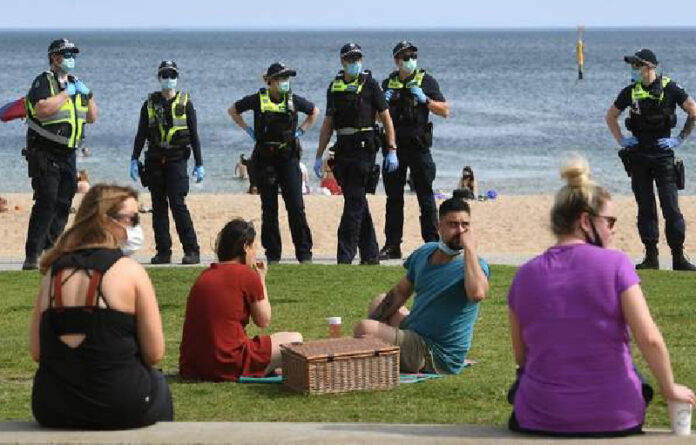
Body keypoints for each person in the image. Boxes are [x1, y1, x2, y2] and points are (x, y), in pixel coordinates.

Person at [507, 156, 696, 436]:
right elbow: (650, 339)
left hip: (540, 416)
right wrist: (670, 388)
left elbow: (522, 357)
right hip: (615, 415)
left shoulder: (524, 276)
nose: (614, 229)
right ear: (585, 221)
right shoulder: (617, 265)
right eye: (610, 221)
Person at [30, 184, 173, 429]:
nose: (136, 227)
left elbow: (37, 351)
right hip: (119, 402)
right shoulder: (130, 272)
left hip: (54, 404)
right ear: (106, 221)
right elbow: (155, 353)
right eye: (133, 219)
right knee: (159, 383)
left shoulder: (53, 273)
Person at [353, 197, 490, 374]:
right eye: (453, 224)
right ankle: (376, 350)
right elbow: (400, 292)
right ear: (438, 227)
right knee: (380, 302)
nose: (460, 231)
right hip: (415, 332)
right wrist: (376, 322)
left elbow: (477, 294)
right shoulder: (425, 253)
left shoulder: (475, 265)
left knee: (364, 328)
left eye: (465, 225)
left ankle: (376, 352)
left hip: (435, 353)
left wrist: (470, 250)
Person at [606, 48, 696, 271]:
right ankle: (651, 258)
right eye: (632, 66)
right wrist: (622, 140)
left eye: (637, 65)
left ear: (649, 67)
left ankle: (678, 258)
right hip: (638, 157)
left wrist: (679, 139)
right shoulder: (630, 92)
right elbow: (611, 116)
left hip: (664, 156)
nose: (633, 70)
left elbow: (693, 110)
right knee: (645, 208)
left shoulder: (670, 88)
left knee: (671, 207)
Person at [179, 219, 303, 381]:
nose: (254, 253)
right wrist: (261, 280)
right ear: (245, 247)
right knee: (295, 339)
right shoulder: (245, 274)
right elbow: (263, 320)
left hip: (194, 365)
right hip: (229, 362)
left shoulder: (205, 275)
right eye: (253, 247)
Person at [313, 42, 398, 264]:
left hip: (364, 149)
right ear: (342, 61)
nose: (355, 63)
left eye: (358, 59)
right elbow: (328, 123)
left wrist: (391, 150)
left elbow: (386, 118)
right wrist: (318, 154)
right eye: (351, 59)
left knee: (353, 204)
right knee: (357, 200)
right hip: (343, 150)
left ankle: (345, 255)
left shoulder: (371, 85)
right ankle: (370, 256)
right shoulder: (334, 87)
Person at [229, 62, 317, 264]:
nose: (286, 82)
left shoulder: (293, 100)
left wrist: (301, 131)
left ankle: (304, 254)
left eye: (288, 78)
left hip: (288, 159)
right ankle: (273, 255)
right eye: (282, 78)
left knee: (296, 206)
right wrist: (247, 129)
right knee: (269, 208)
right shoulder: (258, 99)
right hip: (265, 158)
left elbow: (314, 111)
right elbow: (233, 110)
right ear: (271, 81)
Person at [22, 38, 98, 270]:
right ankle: (32, 254)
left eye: (73, 55)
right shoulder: (44, 81)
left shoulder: (76, 83)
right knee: (46, 201)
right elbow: (42, 109)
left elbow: (92, 117)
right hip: (45, 151)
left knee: (64, 202)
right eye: (66, 55)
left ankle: (51, 248)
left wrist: (89, 95)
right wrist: (67, 94)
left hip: (68, 153)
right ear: (54, 57)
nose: (71, 59)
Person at [379, 41, 450, 261]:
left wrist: (425, 100)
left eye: (412, 56)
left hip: (419, 147)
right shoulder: (388, 83)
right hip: (395, 148)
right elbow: (376, 116)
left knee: (426, 197)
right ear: (396, 60)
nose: (409, 60)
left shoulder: (426, 81)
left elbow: (445, 110)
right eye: (405, 57)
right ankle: (392, 245)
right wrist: (383, 103)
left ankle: (431, 243)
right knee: (393, 198)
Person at [130, 60, 204, 265]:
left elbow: (195, 135)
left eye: (172, 75)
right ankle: (163, 251)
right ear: (158, 78)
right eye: (165, 75)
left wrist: (199, 164)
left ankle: (192, 250)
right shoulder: (149, 104)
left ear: (177, 78)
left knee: (178, 204)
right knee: (158, 207)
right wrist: (134, 159)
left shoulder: (186, 103)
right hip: (155, 160)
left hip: (177, 160)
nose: (168, 79)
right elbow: (141, 134)